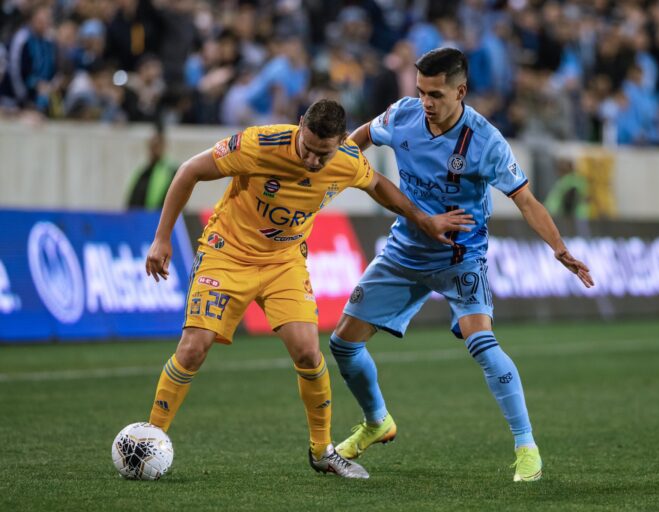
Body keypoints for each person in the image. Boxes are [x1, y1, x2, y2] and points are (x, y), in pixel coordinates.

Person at [143, 99, 473, 479]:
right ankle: (152, 438)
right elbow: (188, 171)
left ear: (338, 144)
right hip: (227, 254)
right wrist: (162, 239)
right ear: (300, 125)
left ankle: (322, 451)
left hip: (284, 262)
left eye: (323, 155)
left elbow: (379, 185)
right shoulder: (257, 145)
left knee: (307, 351)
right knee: (193, 347)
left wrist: (422, 219)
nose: (314, 162)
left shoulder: (348, 159)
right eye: (309, 149)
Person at [328, 48, 594, 482]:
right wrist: (327, 164)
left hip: (459, 256)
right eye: (421, 92)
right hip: (405, 250)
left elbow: (525, 199)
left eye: (435, 94)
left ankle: (526, 446)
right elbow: (359, 138)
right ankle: (377, 421)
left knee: (482, 343)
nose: (426, 102)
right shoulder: (403, 115)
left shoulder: (485, 141)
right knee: (343, 343)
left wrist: (559, 248)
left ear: (461, 91)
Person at [126, 128, 177, 209]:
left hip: (161, 219)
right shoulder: (142, 173)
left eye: (157, 145)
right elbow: (132, 201)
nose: (154, 149)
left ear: (164, 146)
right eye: (152, 146)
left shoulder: (173, 171)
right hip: (142, 219)